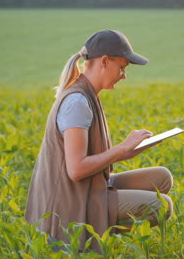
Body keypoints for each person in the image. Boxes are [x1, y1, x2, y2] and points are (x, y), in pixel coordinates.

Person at [24, 29, 173, 253]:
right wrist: (122, 146)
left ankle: (102, 228)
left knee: (161, 178)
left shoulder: (87, 95)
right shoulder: (77, 102)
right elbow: (76, 170)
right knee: (162, 206)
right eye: (122, 68)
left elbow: (83, 159)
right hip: (68, 205)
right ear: (104, 61)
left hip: (83, 189)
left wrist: (127, 152)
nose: (124, 75)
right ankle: (88, 239)